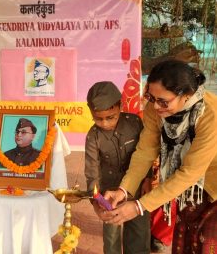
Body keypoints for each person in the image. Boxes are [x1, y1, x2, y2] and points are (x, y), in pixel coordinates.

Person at [100, 60, 217, 253]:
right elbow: (145, 151)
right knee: (184, 244)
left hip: (211, 186)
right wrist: (124, 189)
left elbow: (190, 172)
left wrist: (139, 206)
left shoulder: (209, 115)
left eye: (163, 101)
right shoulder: (155, 109)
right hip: (187, 191)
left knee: (206, 245)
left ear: (186, 95)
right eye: (151, 97)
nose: (156, 106)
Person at [85, 81, 151, 254]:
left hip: (137, 190)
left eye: (111, 117)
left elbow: (145, 153)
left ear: (120, 106)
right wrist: (96, 202)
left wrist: (148, 179)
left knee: (139, 233)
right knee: (111, 238)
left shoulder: (135, 123)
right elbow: (92, 172)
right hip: (109, 196)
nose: (105, 123)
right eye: (98, 118)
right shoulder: (93, 136)